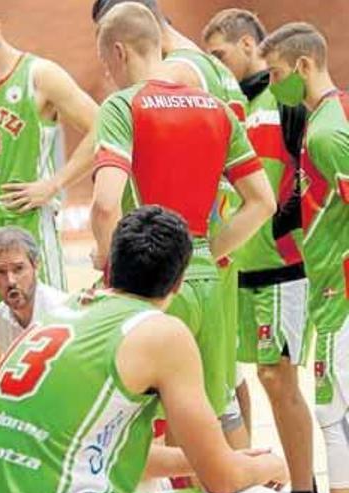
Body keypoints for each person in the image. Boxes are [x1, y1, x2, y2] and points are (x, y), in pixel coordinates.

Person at [0, 205, 287, 493]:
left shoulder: (67, 309)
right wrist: (271, 465)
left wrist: (223, 459)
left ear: (110, 266)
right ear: (178, 282)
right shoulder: (160, 332)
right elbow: (222, 480)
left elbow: (103, 452)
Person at [90, 2, 275, 424]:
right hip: (207, 279)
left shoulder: (123, 106)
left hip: (148, 283)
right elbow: (262, 201)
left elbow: (104, 206)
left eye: (105, 64)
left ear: (119, 53)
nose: (107, 75)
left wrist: (110, 268)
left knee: (142, 424)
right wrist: (205, 249)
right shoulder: (218, 108)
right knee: (211, 419)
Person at [0, 0, 99, 350]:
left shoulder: (41, 75)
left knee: (50, 331)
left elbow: (101, 126)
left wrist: (55, 184)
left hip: (25, 220)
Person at [203, 10, 315, 493]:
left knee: (276, 377)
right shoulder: (220, 104)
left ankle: (303, 486)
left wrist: (285, 227)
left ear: (249, 45)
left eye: (220, 55)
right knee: (229, 379)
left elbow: (308, 174)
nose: (214, 65)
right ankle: (244, 480)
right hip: (231, 264)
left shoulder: (288, 101)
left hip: (280, 265)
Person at [261, 22, 349, 493]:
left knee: (333, 416)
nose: (272, 86)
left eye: (275, 75)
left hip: (340, 293)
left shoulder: (327, 134)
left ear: (303, 66)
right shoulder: (326, 119)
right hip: (329, 288)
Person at [0, 226, 67, 355]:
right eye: (1, 271)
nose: (11, 281)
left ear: (36, 266)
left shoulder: (62, 309)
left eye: (18, 269)